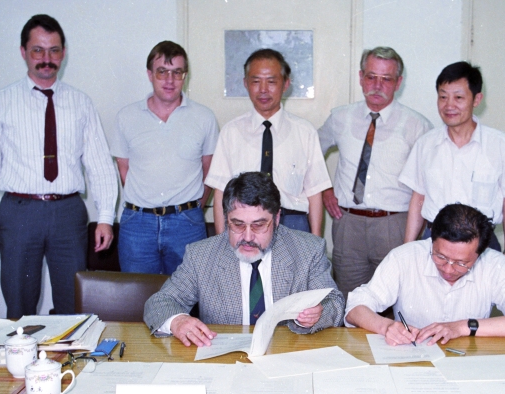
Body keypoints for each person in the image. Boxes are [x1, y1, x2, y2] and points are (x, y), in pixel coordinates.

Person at [0, 14, 118, 318]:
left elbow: (100, 164)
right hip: (19, 213)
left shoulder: (81, 103)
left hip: (68, 213)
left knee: (72, 305)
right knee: (19, 304)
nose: (46, 59)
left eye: (53, 50)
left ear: (63, 53)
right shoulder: (2, 102)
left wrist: (105, 217)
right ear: (23, 52)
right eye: (38, 50)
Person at [143, 172, 345, 347]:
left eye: (259, 225)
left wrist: (318, 314)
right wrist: (177, 321)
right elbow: (160, 302)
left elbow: (334, 302)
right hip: (224, 358)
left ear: (276, 219)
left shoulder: (307, 250)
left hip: (287, 353)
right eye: (238, 225)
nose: (248, 237)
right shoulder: (201, 256)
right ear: (226, 218)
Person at [318, 47, 433, 299]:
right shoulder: (340, 117)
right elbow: (310, 154)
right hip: (348, 225)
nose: (377, 86)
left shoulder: (418, 125)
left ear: (398, 83)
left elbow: (428, 182)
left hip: (395, 225)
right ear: (361, 77)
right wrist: (324, 188)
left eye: (386, 79)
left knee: (396, 300)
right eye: (371, 77)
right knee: (349, 300)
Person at [345, 203, 505, 346]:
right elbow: (355, 307)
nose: (448, 269)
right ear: (432, 240)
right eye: (440, 257)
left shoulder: (495, 264)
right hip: (412, 359)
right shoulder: (404, 257)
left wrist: (461, 327)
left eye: (462, 263)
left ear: (480, 254)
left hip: (468, 359)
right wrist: (385, 326)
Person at [400, 61, 505, 268]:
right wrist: (407, 249)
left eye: (459, 98)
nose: (449, 105)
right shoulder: (425, 145)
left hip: (483, 245)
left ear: (477, 99)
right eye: (443, 97)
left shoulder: (500, 145)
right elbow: (418, 199)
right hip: (433, 242)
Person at [110, 41, 219, 275]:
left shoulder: (204, 118)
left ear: (185, 76)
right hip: (137, 224)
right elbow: (124, 169)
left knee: (188, 293)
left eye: (177, 72)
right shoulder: (126, 117)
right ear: (150, 74)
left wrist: (191, 208)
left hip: (187, 224)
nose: (170, 80)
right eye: (162, 72)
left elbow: (209, 169)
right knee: (136, 293)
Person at [205, 49, 331, 236]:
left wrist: (316, 241)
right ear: (246, 84)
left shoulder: (305, 132)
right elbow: (220, 192)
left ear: (285, 84)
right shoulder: (231, 132)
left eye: (271, 82)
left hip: (293, 223)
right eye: (256, 81)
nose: (263, 89)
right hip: (245, 224)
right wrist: (221, 242)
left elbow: (314, 193)